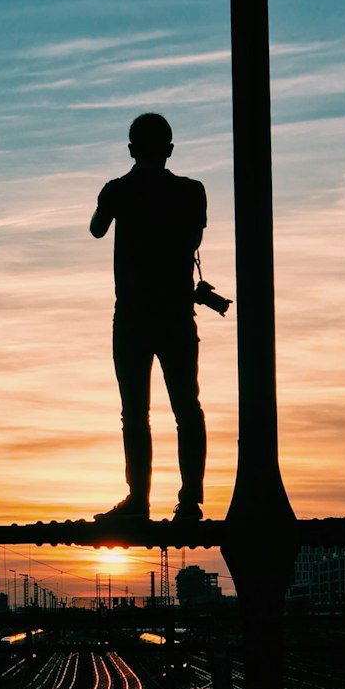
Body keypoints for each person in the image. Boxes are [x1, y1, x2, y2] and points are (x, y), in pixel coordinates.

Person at [90, 113, 207, 524]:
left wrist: (117, 195)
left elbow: (96, 229)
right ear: (170, 149)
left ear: (131, 150)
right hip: (175, 313)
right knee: (186, 409)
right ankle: (190, 501)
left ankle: (138, 501)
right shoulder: (191, 192)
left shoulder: (119, 190)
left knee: (135, 413)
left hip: (133, 317)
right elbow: (192, 238)